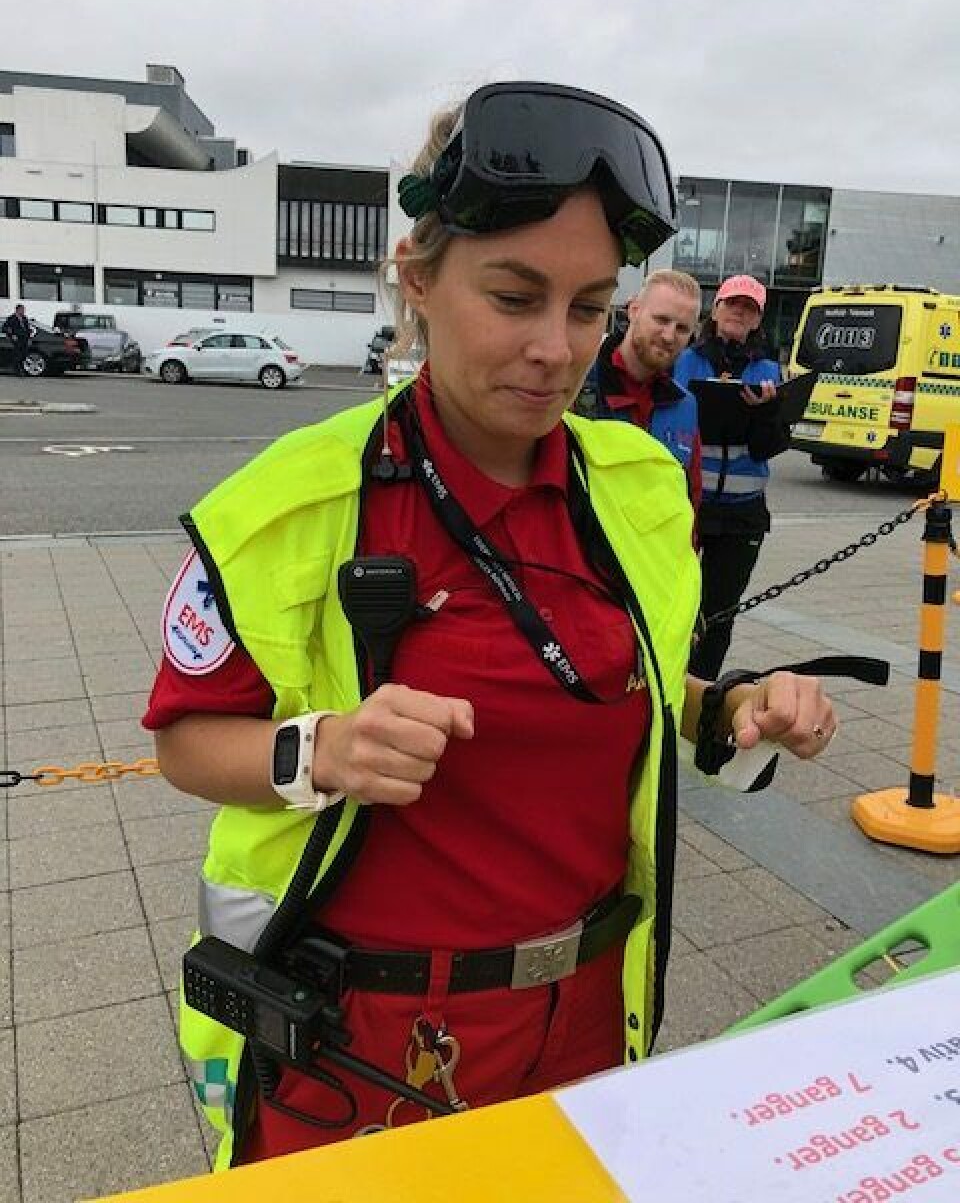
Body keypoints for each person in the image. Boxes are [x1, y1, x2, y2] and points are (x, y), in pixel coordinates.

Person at [143, 83, 836, 1169]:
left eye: (587, 305)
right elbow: (185, 739)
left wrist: (737, 707)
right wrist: (319, 748)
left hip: (592, 1012)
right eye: (514, 297)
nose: (555, 348)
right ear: (418, 280)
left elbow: (627, 694)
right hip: (367, 1040)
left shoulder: (640, 490)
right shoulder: (290, 505)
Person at [674, 276, 791, 680]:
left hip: (742, 514)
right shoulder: (685, 360)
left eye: (750, 308)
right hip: (687, 507)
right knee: (675, 605)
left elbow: (770, 447)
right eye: (733, 304)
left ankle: (702, 693)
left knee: (719, 614)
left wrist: (765, 414)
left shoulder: (769, 371)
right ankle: (669, 682)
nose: (740, 313)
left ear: (758, 320)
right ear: (716, 309)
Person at [574, 269, 702, 507]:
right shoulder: (576, 383)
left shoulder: (686, 405)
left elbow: (689, 501)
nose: (669, 336)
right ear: (634, 311)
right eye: (661, 320)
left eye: (682, 328)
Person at [2, 303, 31, 375]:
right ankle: (17, 370)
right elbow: (5, 328)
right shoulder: (11, 318)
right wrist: (12, 335)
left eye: (24, 310)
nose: (23, 311)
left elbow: (27, 329)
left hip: (24, 339)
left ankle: (21, 368)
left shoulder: (24, 318)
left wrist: (29, 337)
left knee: (24, 355)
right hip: (16, 340)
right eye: (22, 310)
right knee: (18, 355)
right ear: (17, 310)